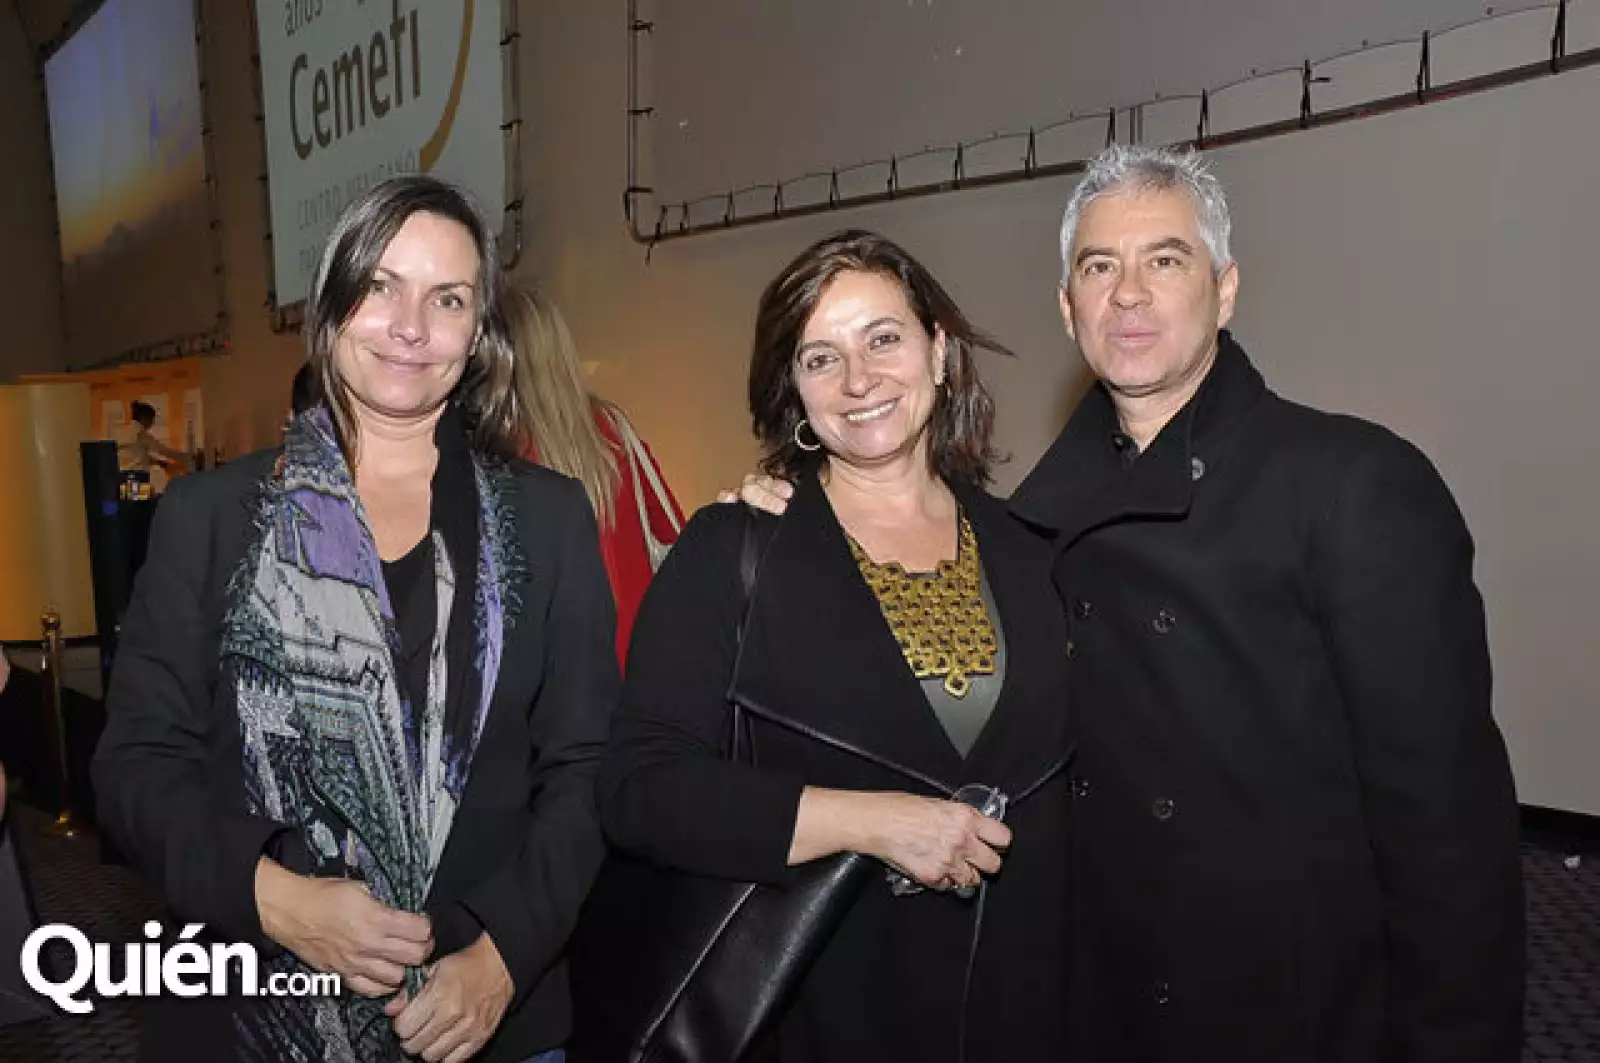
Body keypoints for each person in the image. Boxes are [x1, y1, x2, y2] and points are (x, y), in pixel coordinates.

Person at [729, 145, 1526, 1062]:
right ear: (1069, 310)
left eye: (1166, 258)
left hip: (1302, 1010)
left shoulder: (1355, 485)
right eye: (1099, 267)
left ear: (1226, 289)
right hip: (1100, 1005)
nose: (1130, 293)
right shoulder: (1026, 526)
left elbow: (1450, 848)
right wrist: (783, 516)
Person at [93, 175, 619, 1063]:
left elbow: (587, 768)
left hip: (491, 1018)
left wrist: (499, 958)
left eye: (447, 298)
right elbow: (137, 766)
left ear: (478, 334)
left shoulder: (547, 519)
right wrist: (278, 901)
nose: (411, 325)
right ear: (334, 304)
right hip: (256, 1002)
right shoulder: (214, 517)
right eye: (381, 285)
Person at [597, 230, 1073, 1061]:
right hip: (813, 1012)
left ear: (938, 350)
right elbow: (640, 788)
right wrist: (868, 821)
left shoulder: (1035, 552)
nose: (858, 381)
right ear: (794, 389)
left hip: (1019, 1009)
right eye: (821, 358)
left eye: (882, 339)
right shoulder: (733, 552)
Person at [503, 283, 684, 666]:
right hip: (638, 661)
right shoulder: (613, 427)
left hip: (560, 672)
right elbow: (672, 529)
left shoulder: (500, 451)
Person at [118, 400, 191, 489]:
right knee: (141, 501)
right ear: (144, 417)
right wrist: (186, 457)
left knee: (128, 501)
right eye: (152, 419)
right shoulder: (141, 434)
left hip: (121, 478)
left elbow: (137, 455)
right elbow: (163, 451)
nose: (152, 423)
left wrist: (161, 463)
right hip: (137, 477)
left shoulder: (122, 432)